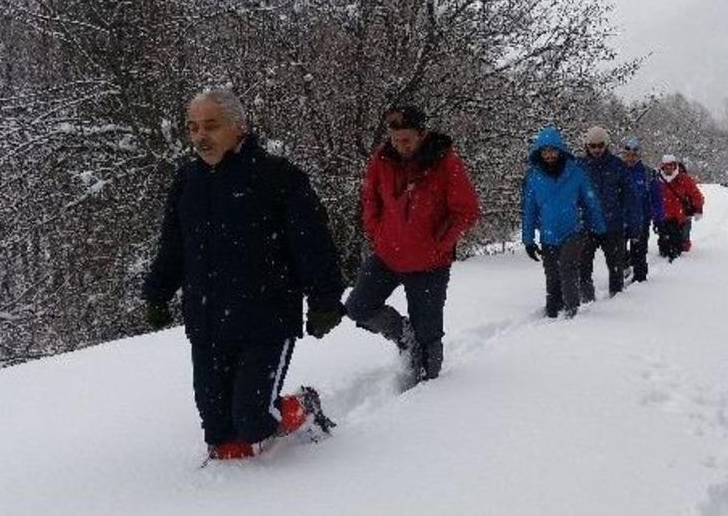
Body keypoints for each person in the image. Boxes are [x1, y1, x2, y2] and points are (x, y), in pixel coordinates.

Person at [143, 89, 345, 461]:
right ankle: (235, 495)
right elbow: (173, 245)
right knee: (219, 433)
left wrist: (325, 300)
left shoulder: (277, 177)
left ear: (238, 127)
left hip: (265, 321)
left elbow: (312, 244)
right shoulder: (188, 181)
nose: (200, 136)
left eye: (211, 126)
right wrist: (157, 293)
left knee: (252, 419)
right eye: (192, 128)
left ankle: (305, 407)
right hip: (206, 321)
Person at [345, 105, 480, 383]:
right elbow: (371, 199)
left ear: (422, 134)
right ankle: (404, 335)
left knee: (429, 340)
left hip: (430, 264)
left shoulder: (445, 162)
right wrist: (376, 231)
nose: (400, 145)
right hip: (387, 255)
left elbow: (466, 210)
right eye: (395, 140)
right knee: (358, 307)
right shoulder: (382, 160)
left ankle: (426, 395)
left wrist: (439, 243)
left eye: (406, 140)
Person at [522, 126, 607, 317]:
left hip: (573, 231)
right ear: (540, 152)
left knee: (568, 269)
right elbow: (529, 211)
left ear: (560, 150)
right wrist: (528, 240)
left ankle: (572, 310)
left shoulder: (576, 173)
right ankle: (553, 311)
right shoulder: (533, 177)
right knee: (552, 276)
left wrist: (599, 228)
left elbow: (590, 201)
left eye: (553, 150)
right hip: (548, 234)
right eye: (545, 151)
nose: (549, 155)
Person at [576, 126, 640, 299]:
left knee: (616, 266)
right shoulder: (578, 167)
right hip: (587, 226)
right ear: (586, 146)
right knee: (583, 266)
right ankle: (587, 299)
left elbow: (631, 199)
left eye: (600, 145)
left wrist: (634, 228)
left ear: (606, 145)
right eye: (592, 145)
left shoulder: (618, 166)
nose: (597, 149)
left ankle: (616, 299)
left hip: (613, 226)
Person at [619, 137, 663, 282]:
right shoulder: (617, 171)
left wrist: (658, 219)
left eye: (634, 155)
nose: (630, 159)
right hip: (620, 220)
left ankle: (640, 282)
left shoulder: (647, 174)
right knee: (618, 251)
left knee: (639, 253)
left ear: (639, 156)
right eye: (628, 155)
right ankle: (623, 270)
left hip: (641, 221)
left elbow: (656, 198)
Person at [656, 154, 705, 261]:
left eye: (671, 166)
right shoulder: (657, 180)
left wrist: (698, 209)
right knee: (664, 248)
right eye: (666, 166)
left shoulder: (683, 179)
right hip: (663, 217)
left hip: (679, 218)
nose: (669, 168)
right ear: (662, 166)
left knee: (678, 248)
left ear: (675, 166)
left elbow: (696, 195)